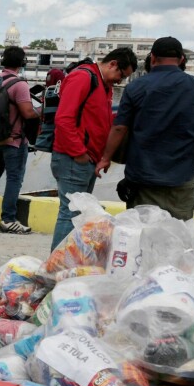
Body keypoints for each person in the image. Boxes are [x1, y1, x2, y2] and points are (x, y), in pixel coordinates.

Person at [97, 37, 194, 220]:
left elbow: (119, 128)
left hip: (142, 177)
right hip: (181, 177)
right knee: (178, 231)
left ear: (153, 58)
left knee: (142, 229)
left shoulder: (135, 87)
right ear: (181, 59)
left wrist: (105, 158)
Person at [49, 47, 137, 250]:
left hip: (87, 159)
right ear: (113, 64)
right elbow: (64, 119)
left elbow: (98, 120)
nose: (120, 81)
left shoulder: (102, 84)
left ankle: (66, 261)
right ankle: (56, 263)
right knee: (71, 213)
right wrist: (79, 153)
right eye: (121, 75)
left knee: (79, 213)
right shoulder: (83, 78)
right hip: (74, 158)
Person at [0, 46, 41, 235]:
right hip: (14, 142)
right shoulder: (20, 85)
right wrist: (42, 109)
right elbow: (28, 113)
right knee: (14, 179)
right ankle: (8, 219)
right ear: (22, 63)